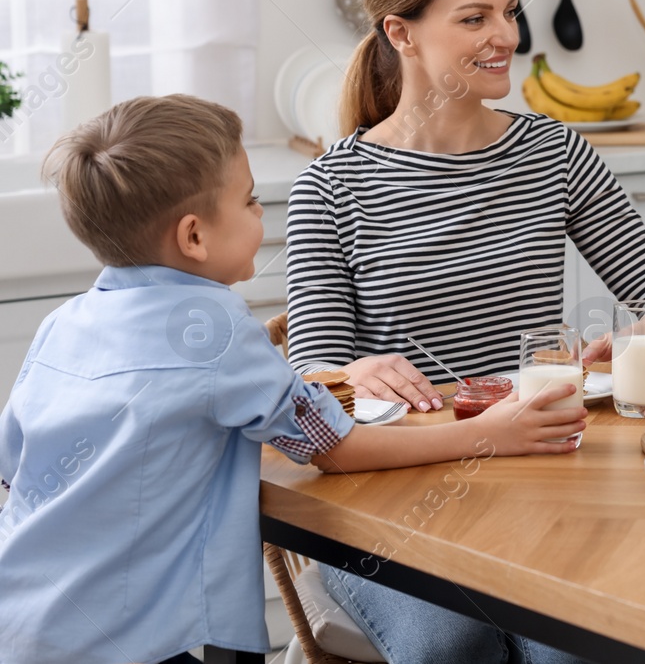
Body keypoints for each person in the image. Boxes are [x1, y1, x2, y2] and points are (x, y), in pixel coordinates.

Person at [0, 95, 585, 664]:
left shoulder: (63, 322)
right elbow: (336, 448)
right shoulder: (217, 330)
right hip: (124, 638)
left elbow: (12, 472)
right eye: (250, 201)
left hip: (21, 618)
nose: (262, 213)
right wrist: (487, 434)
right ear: (194, 237)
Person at [285, 0, 645, 661]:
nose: (505, 36)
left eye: (509, 12)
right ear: (402, 33)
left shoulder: (551, 151)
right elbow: (308, 382)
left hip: (537, 475)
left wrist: (641, 338)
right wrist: (351, 369)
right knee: (453, 640)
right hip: (387, 492)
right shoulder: (332, 185)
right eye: (474, 17)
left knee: (577, 646)